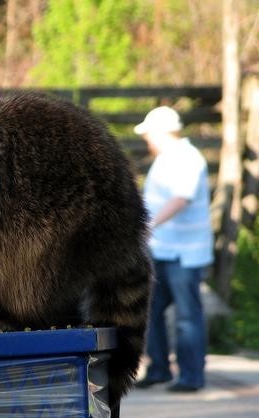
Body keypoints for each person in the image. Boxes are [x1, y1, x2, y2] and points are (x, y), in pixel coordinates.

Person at [133, 106, 214, 392]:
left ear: (162, 132)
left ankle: (191, 376)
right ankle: (159, 369)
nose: (147, 140)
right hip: (164, 250)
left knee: (187, 315)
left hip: (185, 253)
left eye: (149, 134)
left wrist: (149, 225)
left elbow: (181, 198)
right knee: (151, 310)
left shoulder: (187, 158)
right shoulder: (166, 159)